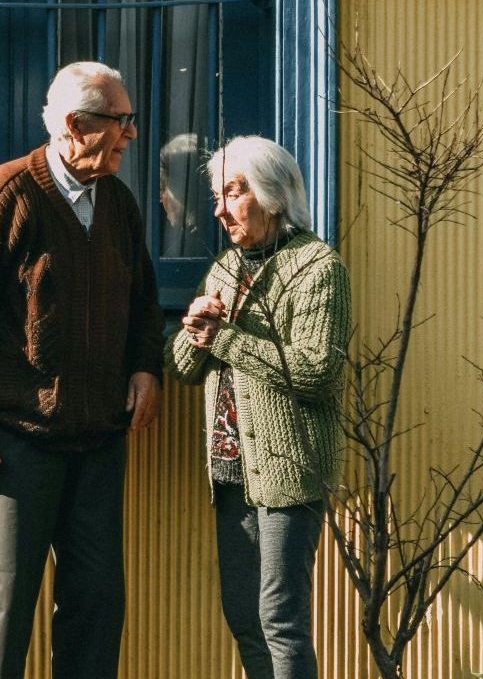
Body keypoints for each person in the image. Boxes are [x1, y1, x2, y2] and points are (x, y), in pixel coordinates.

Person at [0, 61, 165, 679]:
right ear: (72, 124)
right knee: (4, 610)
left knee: (96, 604)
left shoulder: (117, 202)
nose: (131, 135)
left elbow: (142, 299)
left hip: (98, 440)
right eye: (120, 121)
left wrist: (145, 367)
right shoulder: (10, 194)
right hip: (14, 443)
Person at [164, 135, 351, 679]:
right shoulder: (227, 267)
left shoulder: (317, 268)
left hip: (288, 473)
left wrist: (222, 339)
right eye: (217, 196)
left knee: (279, 618)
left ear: (271, 194)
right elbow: (183, 366)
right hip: (230, 471)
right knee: (244, 615)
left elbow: (316, 372)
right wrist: (195, 327)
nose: (219, 210)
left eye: (232, 193)